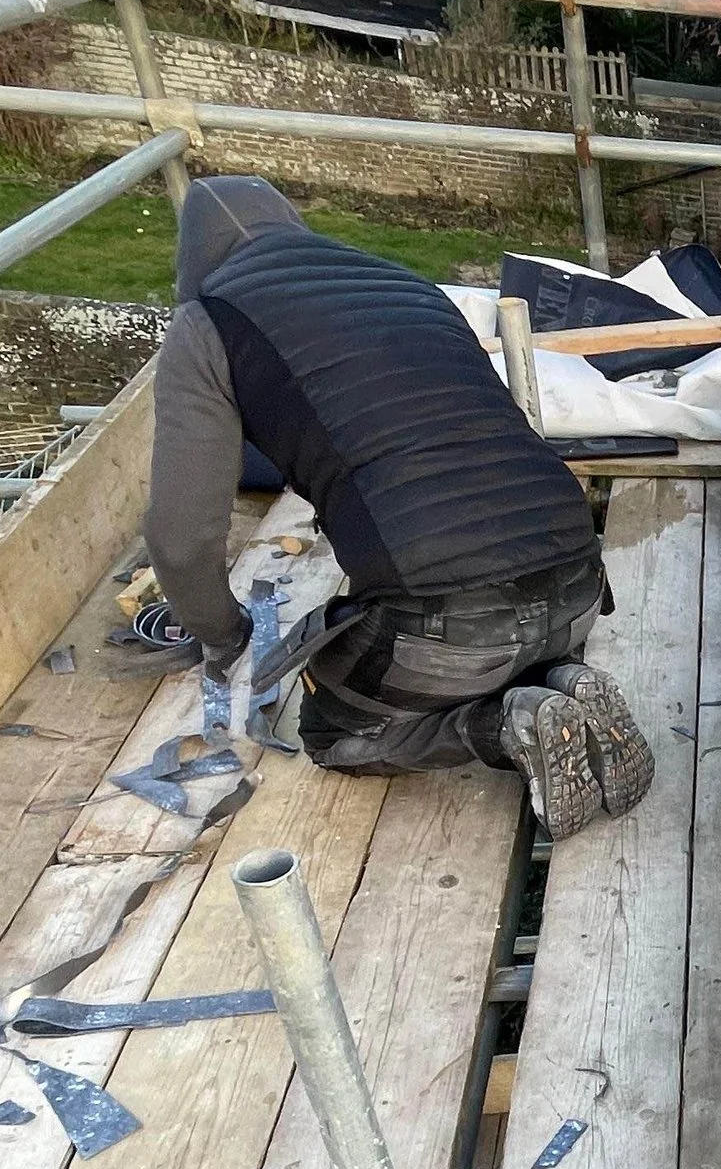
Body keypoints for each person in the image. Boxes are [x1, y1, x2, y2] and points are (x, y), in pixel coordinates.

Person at [144, 175, 651, 840]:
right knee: (473, 629)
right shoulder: (406, 283)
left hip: (452, 626)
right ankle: (563, 675)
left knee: (335, 729)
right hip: (579, 577)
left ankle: (508, 727)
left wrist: (223, 637)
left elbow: (181, 539)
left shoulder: (207, 321)